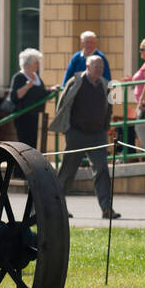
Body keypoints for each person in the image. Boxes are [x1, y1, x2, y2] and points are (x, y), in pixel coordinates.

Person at [51, 55, 120, 219]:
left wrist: (106, 128)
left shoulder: (104, 84)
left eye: (101, 67)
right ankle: (56, 207)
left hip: (97, 135)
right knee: (67, 172)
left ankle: (106, 208)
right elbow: (63, 105)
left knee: (102, 170)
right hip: (76, 133)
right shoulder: (75, 82)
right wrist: (65, 128)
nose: (100, 70)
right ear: (87, 67)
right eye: (96, 67)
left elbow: (109, 107)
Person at [9, 48, 48, 148]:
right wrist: (26, 87)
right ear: (28, 64)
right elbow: (14, 97)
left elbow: (41, 93)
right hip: (24, 118)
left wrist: (51, 90)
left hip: (37, 117)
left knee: (36, 145)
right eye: (36, 63)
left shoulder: (36, 76)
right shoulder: (19, 77)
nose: (38, 65)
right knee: (26, 145)